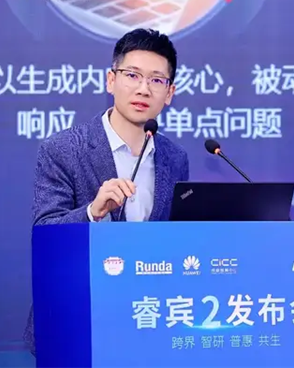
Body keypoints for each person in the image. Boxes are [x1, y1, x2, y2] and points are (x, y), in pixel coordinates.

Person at [23, 28, 189, 356]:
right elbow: (44, 234)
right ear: (111, 80)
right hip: (79, 318)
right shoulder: (63, 149)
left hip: (149, 319)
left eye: (156, 80)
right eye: (132, 75)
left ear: (169, 93)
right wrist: (92, 212)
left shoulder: (175, 158)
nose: (143, 89)